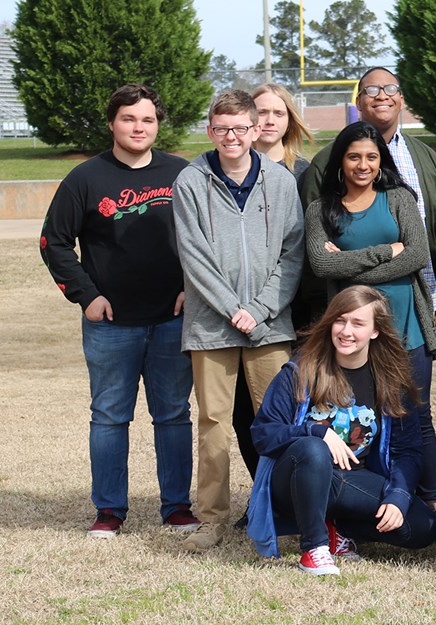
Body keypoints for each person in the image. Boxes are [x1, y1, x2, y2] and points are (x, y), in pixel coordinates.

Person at [302, 69, 436, 533]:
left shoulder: (399, 200)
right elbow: (320, 265)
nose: (363, 165)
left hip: (404, 328)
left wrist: (350, 259)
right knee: (356, 419)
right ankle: (356, 506)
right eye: (354, 156)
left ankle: (429, 504)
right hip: (351, 336)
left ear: (381, 160)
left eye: (371, 156)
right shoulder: (321, 209)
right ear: (341, 162)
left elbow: (415, 256)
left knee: (415, 418)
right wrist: (378, 254)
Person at [41, 83, 199, 539]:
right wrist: (86, 295)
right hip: (111, 324)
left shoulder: (180, 173)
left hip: (172, 319)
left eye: (147, 119)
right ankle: (109, 511)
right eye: (129, 118)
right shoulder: (86, 178)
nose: (138, 127)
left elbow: (204, 237)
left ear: (157, 125)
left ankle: (177, 508)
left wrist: (194, 288)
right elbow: (53, 242)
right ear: (112, 123)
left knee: (172, 414)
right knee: (110, 416)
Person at [172, 89, 305, 552]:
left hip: (269, 326)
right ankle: (211, 519)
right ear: (211, 131)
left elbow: (292, 254)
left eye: (240, 128)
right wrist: (233, 309)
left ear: (255, 131)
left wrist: (261, 308)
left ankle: (287, 511)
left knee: (282, 421)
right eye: (221, 128)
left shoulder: (281, 181)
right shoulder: (191, 181)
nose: (232, 136)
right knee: (213, 424)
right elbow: (194, 257)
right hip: (212, 326)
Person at [246, 286, 436, 575]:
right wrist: (315, 431)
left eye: (358, 323)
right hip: (295, 479)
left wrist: (398, 495)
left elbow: (408, 450)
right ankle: (314, 548)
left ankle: (339, 528)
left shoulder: (391, 380)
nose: (346, 331)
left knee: (423, 526)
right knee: (313, 449)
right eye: (340, 320)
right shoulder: (301, 370)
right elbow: (263, 433)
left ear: (376, 331)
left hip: (350, 483)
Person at [222, 83, 317, 514]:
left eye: (278, 113)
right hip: (246, 315)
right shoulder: (226, 174)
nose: (267, 121)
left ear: (289, 121)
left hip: (301, 313)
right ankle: (264, 496)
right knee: (249, 414)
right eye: (260, 112)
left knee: (293, 411)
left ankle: (296, 494)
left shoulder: (305, 174)